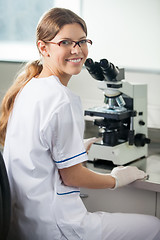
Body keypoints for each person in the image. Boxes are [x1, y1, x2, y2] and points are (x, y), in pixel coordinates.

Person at [0, 7, 159, 240]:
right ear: (43, 48)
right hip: (57, 227)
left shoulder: (29, 87)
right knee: (154, 226)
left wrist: (74, 148)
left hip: (25, 224)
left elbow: (36, 149)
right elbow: (72, 177)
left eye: (82, 41)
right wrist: (115, 179)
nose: (77, 50)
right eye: (65, 42)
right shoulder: (62, 99)